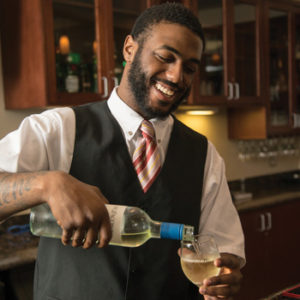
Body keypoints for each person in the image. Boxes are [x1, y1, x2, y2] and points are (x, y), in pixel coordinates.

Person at [0, 3, 244, 300]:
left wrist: (225, 281)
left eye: (190, 68)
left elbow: (224, 252)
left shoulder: (204, 154)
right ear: (129, 48)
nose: (177, 76)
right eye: (165, 57)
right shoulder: (60, 128)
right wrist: (47, 184)